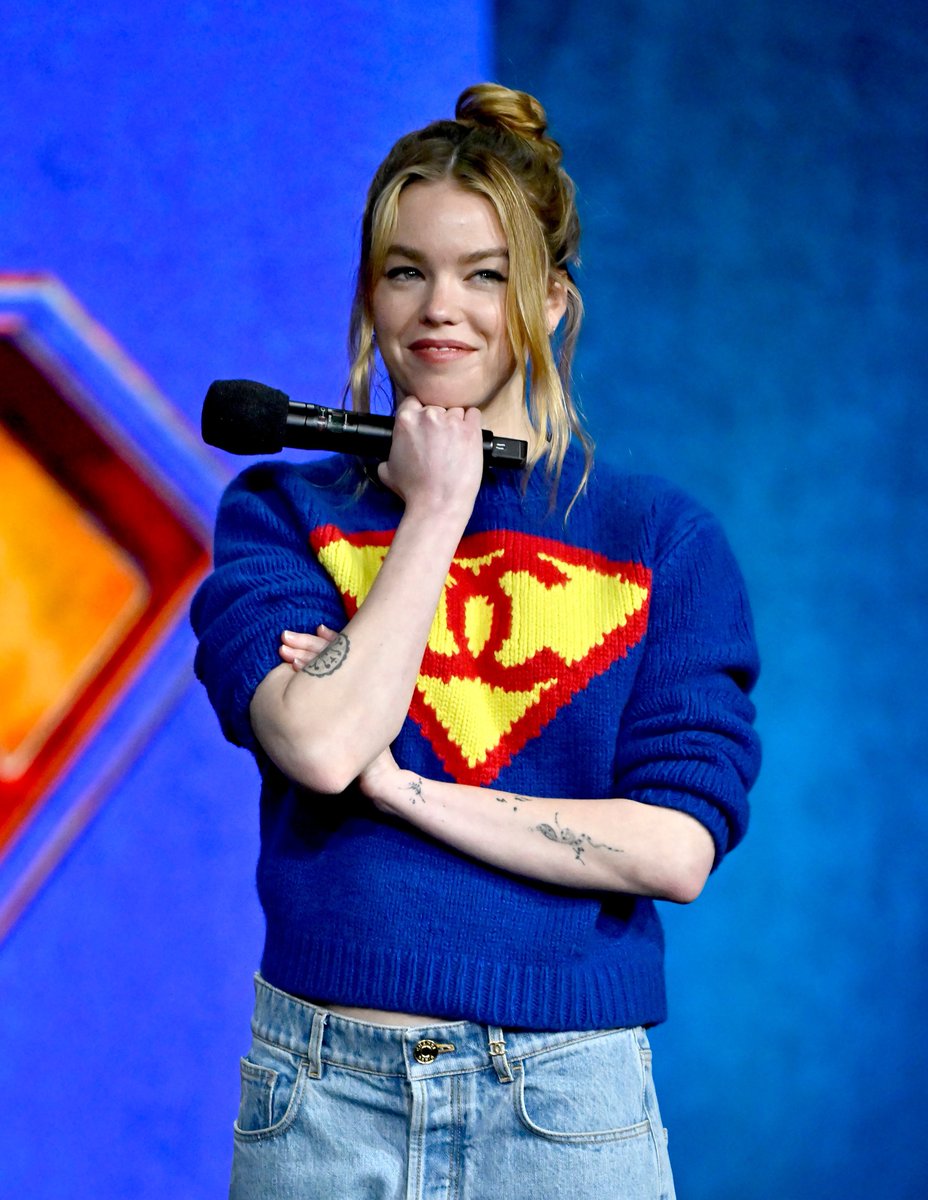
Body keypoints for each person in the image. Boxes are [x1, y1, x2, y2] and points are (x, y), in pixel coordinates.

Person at [191, 82, 761, 1200]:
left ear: (552, 302)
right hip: (320, 1095)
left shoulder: (659, 542)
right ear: (370, 292)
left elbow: (672, 848)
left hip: (561, 1105)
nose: (438, 310)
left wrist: (404, 792)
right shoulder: (281, 511)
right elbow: (315, 747)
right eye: (406, 271)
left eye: (484, 275)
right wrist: (436, 511)